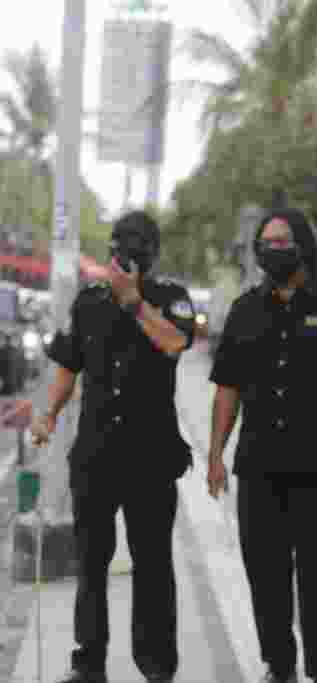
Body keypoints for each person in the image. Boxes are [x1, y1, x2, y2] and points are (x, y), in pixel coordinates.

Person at [206, 208, 317, 683]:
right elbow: (227, 387)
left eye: (282, 240)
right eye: (266, 242)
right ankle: (278, 666)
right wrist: (216, 454)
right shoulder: (244, 310)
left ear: (301, 245)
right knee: (265, 575)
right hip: (257, 466)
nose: (272, 249)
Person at [31, 211, 196, 683]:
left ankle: (157, 667)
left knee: (153, 567)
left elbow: (174, 344)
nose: (129, 252)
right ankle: (89, 665)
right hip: (96, 456)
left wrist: (136, 304)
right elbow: (67, 365)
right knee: (91, 564)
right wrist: (48, 415)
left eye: (140, 244)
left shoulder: (172, 300)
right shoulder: (89, 302)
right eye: (122, 244)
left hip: (152, 459)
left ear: (155, 252)